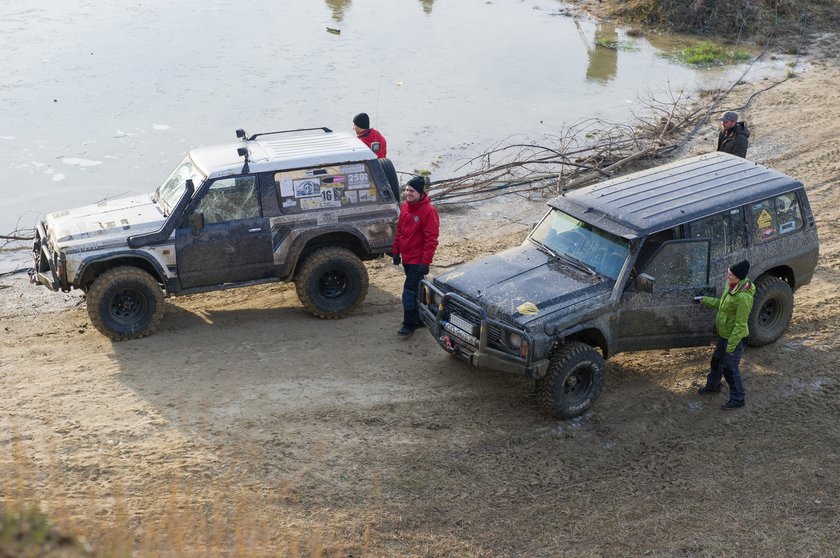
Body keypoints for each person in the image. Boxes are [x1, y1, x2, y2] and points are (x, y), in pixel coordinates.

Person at [695, 259, 756, 410]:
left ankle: (738, 399)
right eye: (728, 274)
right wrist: (706, 300)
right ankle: (713, 387)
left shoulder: (744, 297)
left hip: (734, 339)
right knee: (716, 362)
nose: (728, 277)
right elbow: (722, 305)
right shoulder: (731, 286)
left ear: (739, 277)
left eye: (731, 275)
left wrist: (731, 346)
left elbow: (740, 325)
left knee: (730, 369)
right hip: (724, 335)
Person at [391, 175, 439, 337]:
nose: (408, 193)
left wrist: (425, 262)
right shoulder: (405, 207)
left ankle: (409, 324)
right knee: (418, 290)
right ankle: (422, 318)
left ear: (420, 192)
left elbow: (431, 240)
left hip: (418, 260)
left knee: (408, 292)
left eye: (411, 191)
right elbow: (400, 232)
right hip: (407, 258)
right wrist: (396, 251)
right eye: (406, 190)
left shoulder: (429, 211)